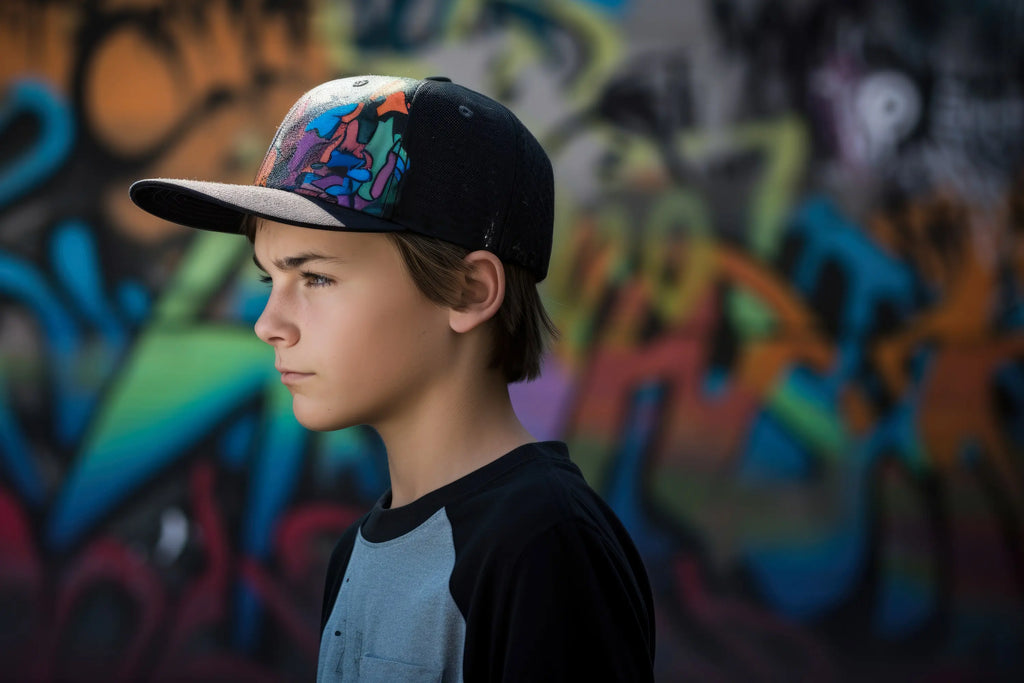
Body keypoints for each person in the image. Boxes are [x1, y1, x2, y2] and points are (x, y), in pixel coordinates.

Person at [130, 74, 655, 681]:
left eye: (316, 278)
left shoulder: (546, 546)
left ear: (469, 290)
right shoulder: (359, 550)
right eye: (268, 279)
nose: (269, 325)